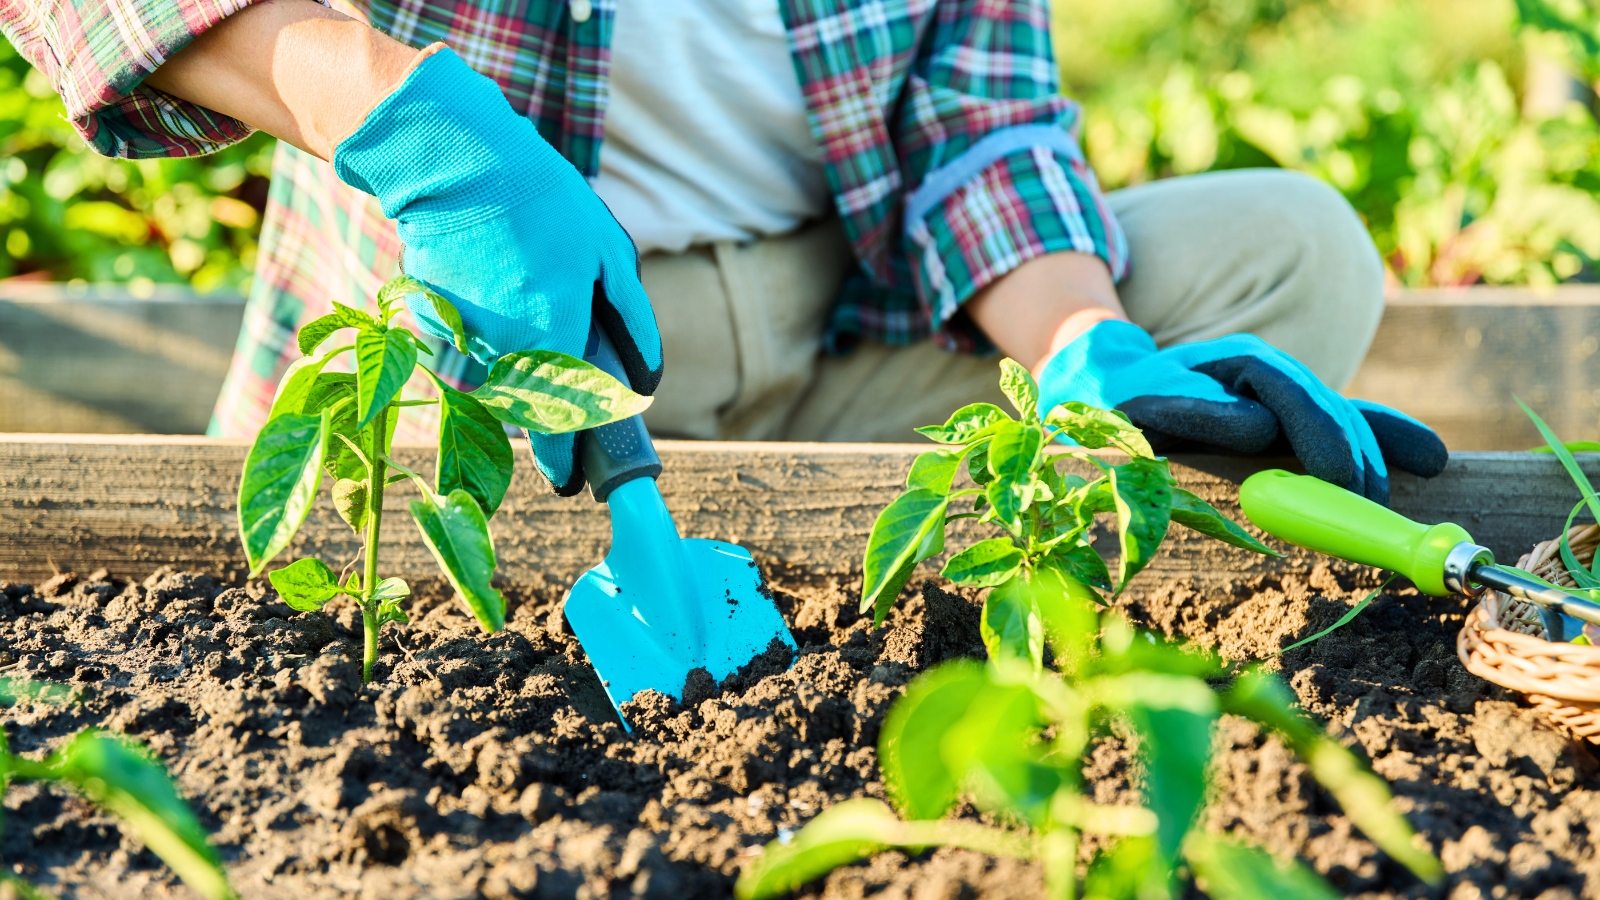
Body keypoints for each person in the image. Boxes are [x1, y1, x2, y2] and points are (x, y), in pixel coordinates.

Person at [2, 0, 1446, 503]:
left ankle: (1007, 597)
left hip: (835, 317)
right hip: (495, 318)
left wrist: (1083, 341)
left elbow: (980, 117)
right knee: (406, 591)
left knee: (1292, 251)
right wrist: (413, 131)